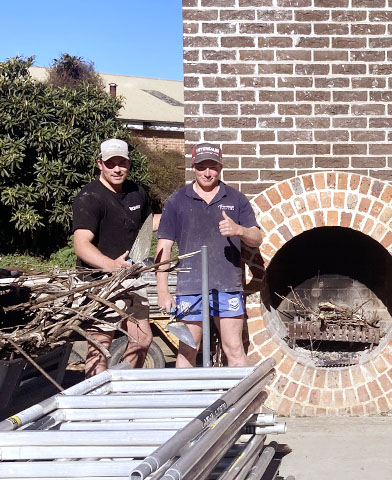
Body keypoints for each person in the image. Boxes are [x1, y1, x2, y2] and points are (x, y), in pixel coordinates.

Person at [155, 143, 262, 368]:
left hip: (227, 286)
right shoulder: (177, 201)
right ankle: (185, 402)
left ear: (220, 167)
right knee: (187, 349)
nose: (207, 173)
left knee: (233, 348)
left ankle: (241, 403)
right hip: (190, 288)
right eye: (201, 166)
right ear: (193, 167)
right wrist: (163, 290)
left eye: (212, 167)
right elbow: (163, 247)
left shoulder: (236, 199)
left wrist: (239, 230)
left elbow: (257, 237)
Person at [72, 138, 159, 377]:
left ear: (129, 164)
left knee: (142, 340)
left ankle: (123, 389)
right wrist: (112, 266)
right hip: (100, 281)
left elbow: (149, 223)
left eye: (122, 163)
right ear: (100, 164)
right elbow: (81, 245)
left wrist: (186, 217)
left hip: (132, 278)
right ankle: (96, 402)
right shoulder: (90, 197)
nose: (117, 169)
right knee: (100, 345)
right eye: (111, 163)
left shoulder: (136, 192)